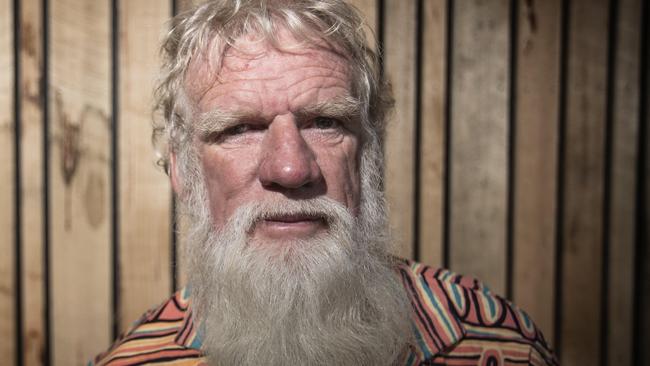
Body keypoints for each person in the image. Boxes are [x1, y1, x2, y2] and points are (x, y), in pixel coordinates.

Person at [91, 0, 557, 365]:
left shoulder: (496, 347)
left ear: (368, 156)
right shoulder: (138, 360)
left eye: (325, 122)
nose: (291, 170)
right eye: (240, 128)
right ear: (183, 172)